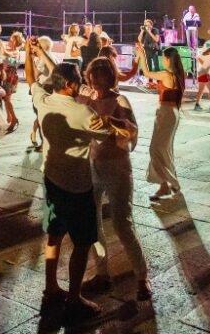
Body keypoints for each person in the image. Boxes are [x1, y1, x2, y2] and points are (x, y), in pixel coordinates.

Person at [24, 40, 114, 321]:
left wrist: (30, 54)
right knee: (83, 241)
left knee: (54, 234)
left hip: (51, 179)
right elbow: (106, 135)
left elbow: (30, 80)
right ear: (72, 85)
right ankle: (74, 298)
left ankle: (51, 287)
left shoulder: (44, 102)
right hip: (77, 185)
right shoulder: (82, 113)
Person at [82, 57, 148, 302]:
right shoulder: (87, 99)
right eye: (93, 76)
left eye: (101, 76)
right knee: (92, 224)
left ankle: (142, 277)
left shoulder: (119, 100)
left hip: (117, 167)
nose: (97, 82)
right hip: (92, 165)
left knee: (122, 223)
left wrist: (113, 122)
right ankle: (102, 273)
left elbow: (132, 130)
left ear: (110, 77)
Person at [141, 46, 185, 200]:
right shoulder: (177, 74)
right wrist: (158, 87)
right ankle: (163, 186)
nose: (161, 60)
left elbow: (146, 73)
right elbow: (169, 91)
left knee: (155, 149)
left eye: (162, 58)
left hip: (166, 114)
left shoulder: (166, 74)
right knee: (165, 149)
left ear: (167, 59)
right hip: (171, 113)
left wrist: (141, 55)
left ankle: (171, 182)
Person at [192, 38, 210, 110]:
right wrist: (204, 66)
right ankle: (197, 105)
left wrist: (204, 66)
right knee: (201, 91)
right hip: (203, 74)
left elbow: (197, 58)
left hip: (205, 74)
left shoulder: (206, 55)